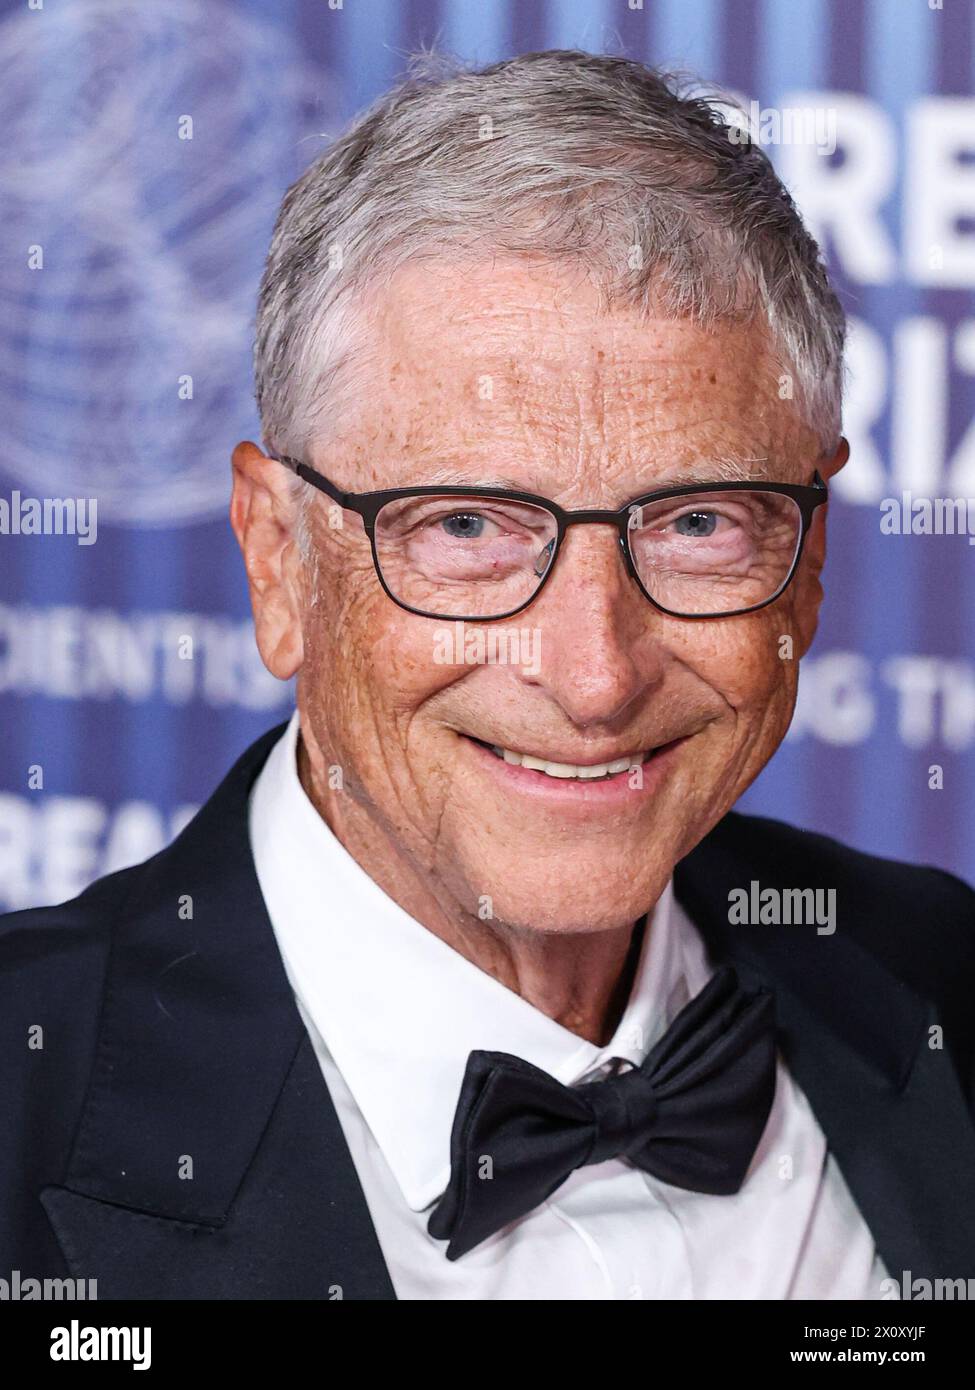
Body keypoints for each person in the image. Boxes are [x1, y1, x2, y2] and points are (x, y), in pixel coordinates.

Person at [3, 49, 974, 1301]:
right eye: (465, 526)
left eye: (696, 524)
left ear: (811, 558)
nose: (594, 676)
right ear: (280, 560)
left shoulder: (937, 973)